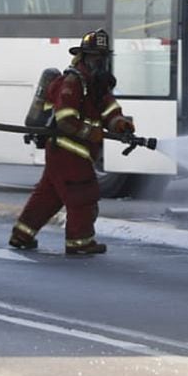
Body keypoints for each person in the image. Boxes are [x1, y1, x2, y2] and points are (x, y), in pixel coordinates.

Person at [8, 29, 134, 255]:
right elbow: (65, 119)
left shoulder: (97, 85)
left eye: (103, 57)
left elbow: (110, 111)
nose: (99, 62)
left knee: (48, 196)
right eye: (95, 56)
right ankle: (80, 242)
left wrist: (120, 124)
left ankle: (22, 235)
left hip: (72, 152)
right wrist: (91, 133)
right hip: (67, 150)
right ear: (83, 57)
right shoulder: (72, 82)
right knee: (83, 194)